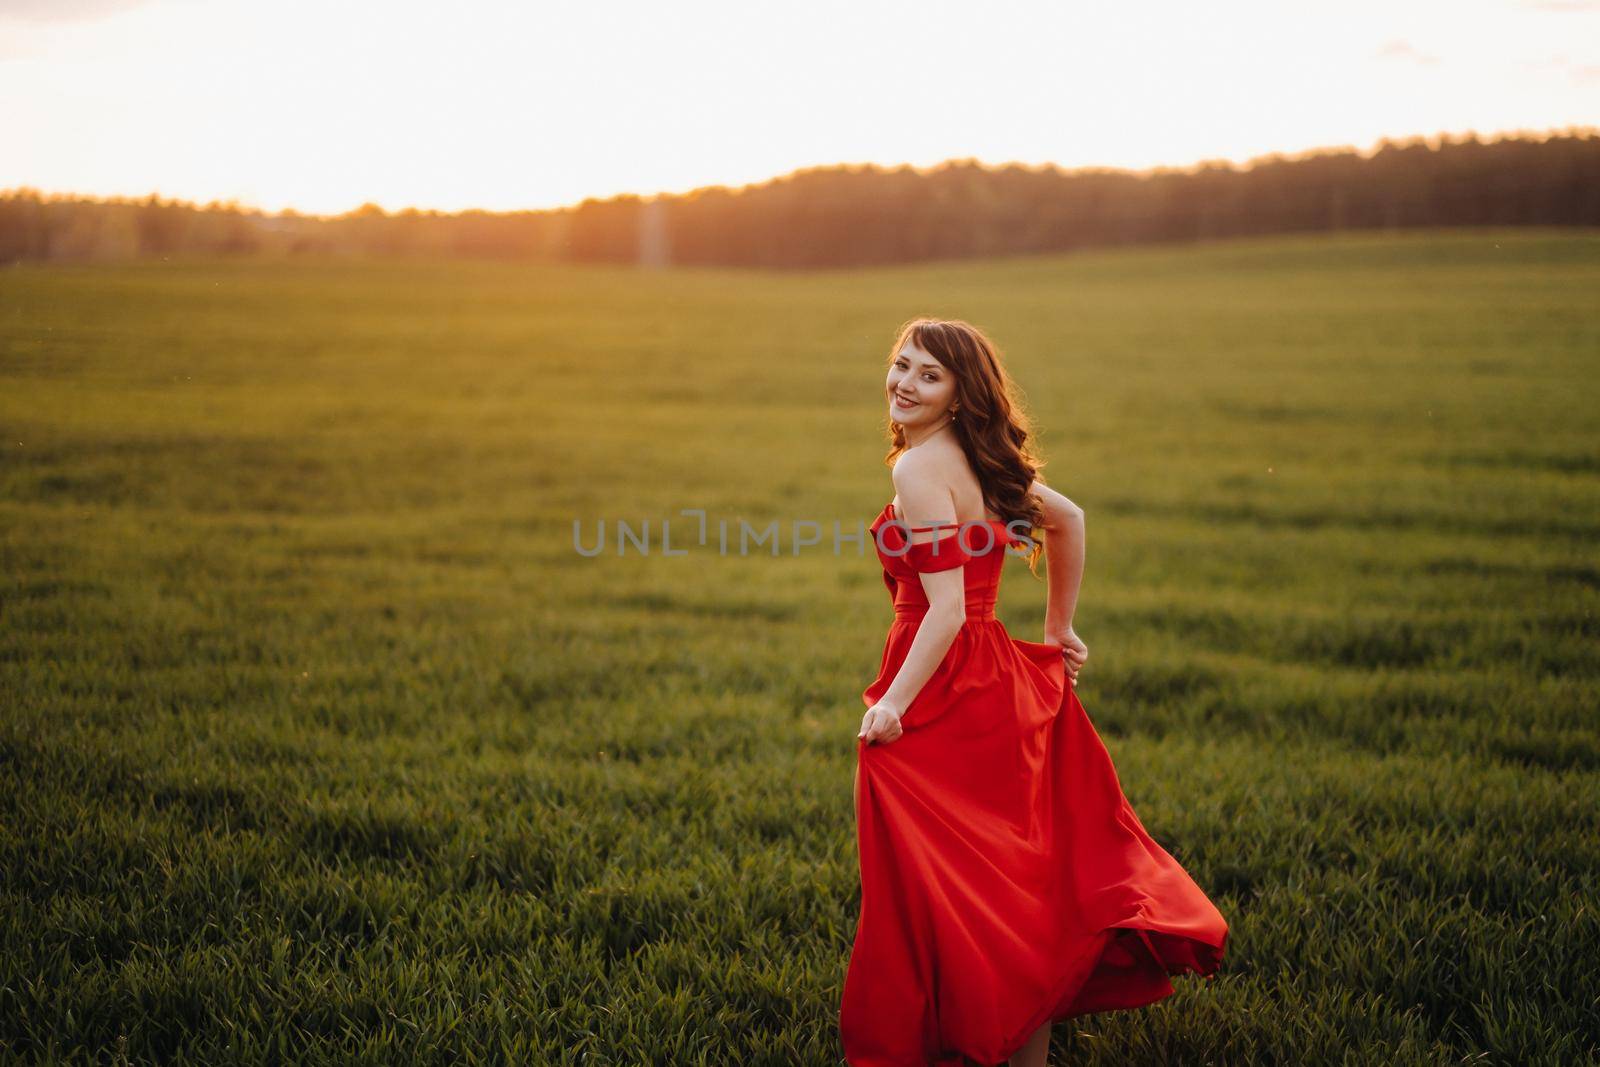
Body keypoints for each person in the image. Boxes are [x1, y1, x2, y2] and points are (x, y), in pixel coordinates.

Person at [840, 318, 1228, 1067]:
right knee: (1008, 883)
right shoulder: (978, 459)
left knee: (942, 883)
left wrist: (892, 704)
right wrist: (1056, 632)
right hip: (999, 682)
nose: (903, 383)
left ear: (959, 395)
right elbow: (1069, 517)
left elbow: (946, 610)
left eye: (928, 375)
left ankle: (947, 1038)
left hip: (945, 688)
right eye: (900, 365)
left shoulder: (919, 471)